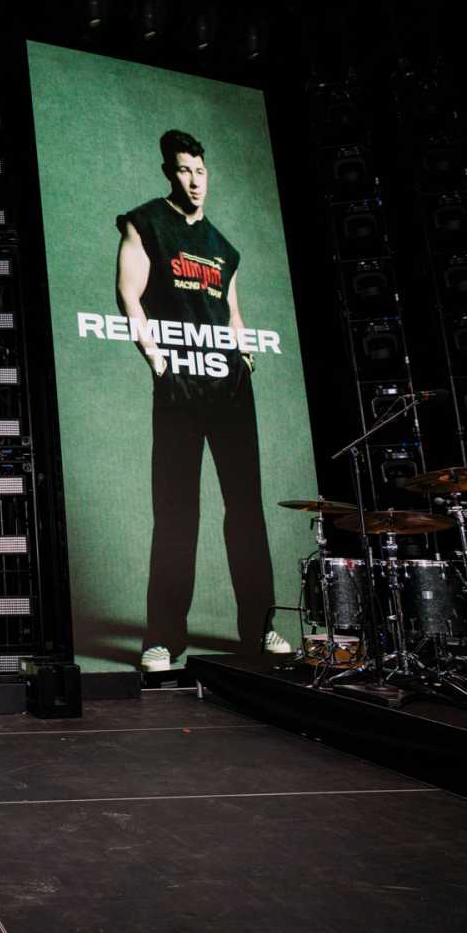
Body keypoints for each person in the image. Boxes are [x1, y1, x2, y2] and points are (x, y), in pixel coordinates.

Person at [115, 129, 286, 673]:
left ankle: (260, 628)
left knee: (246, 508)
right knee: (176, 511)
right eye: (185, 171)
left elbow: (232, 313)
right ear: (170, 172)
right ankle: (163, 639)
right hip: (180, 384)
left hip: (229, 384)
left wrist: (246, 358)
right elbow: (129, 295)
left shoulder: (223, 247)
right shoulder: (145, 223)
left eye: (200, 171)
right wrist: (157, 360)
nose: (194, 181)